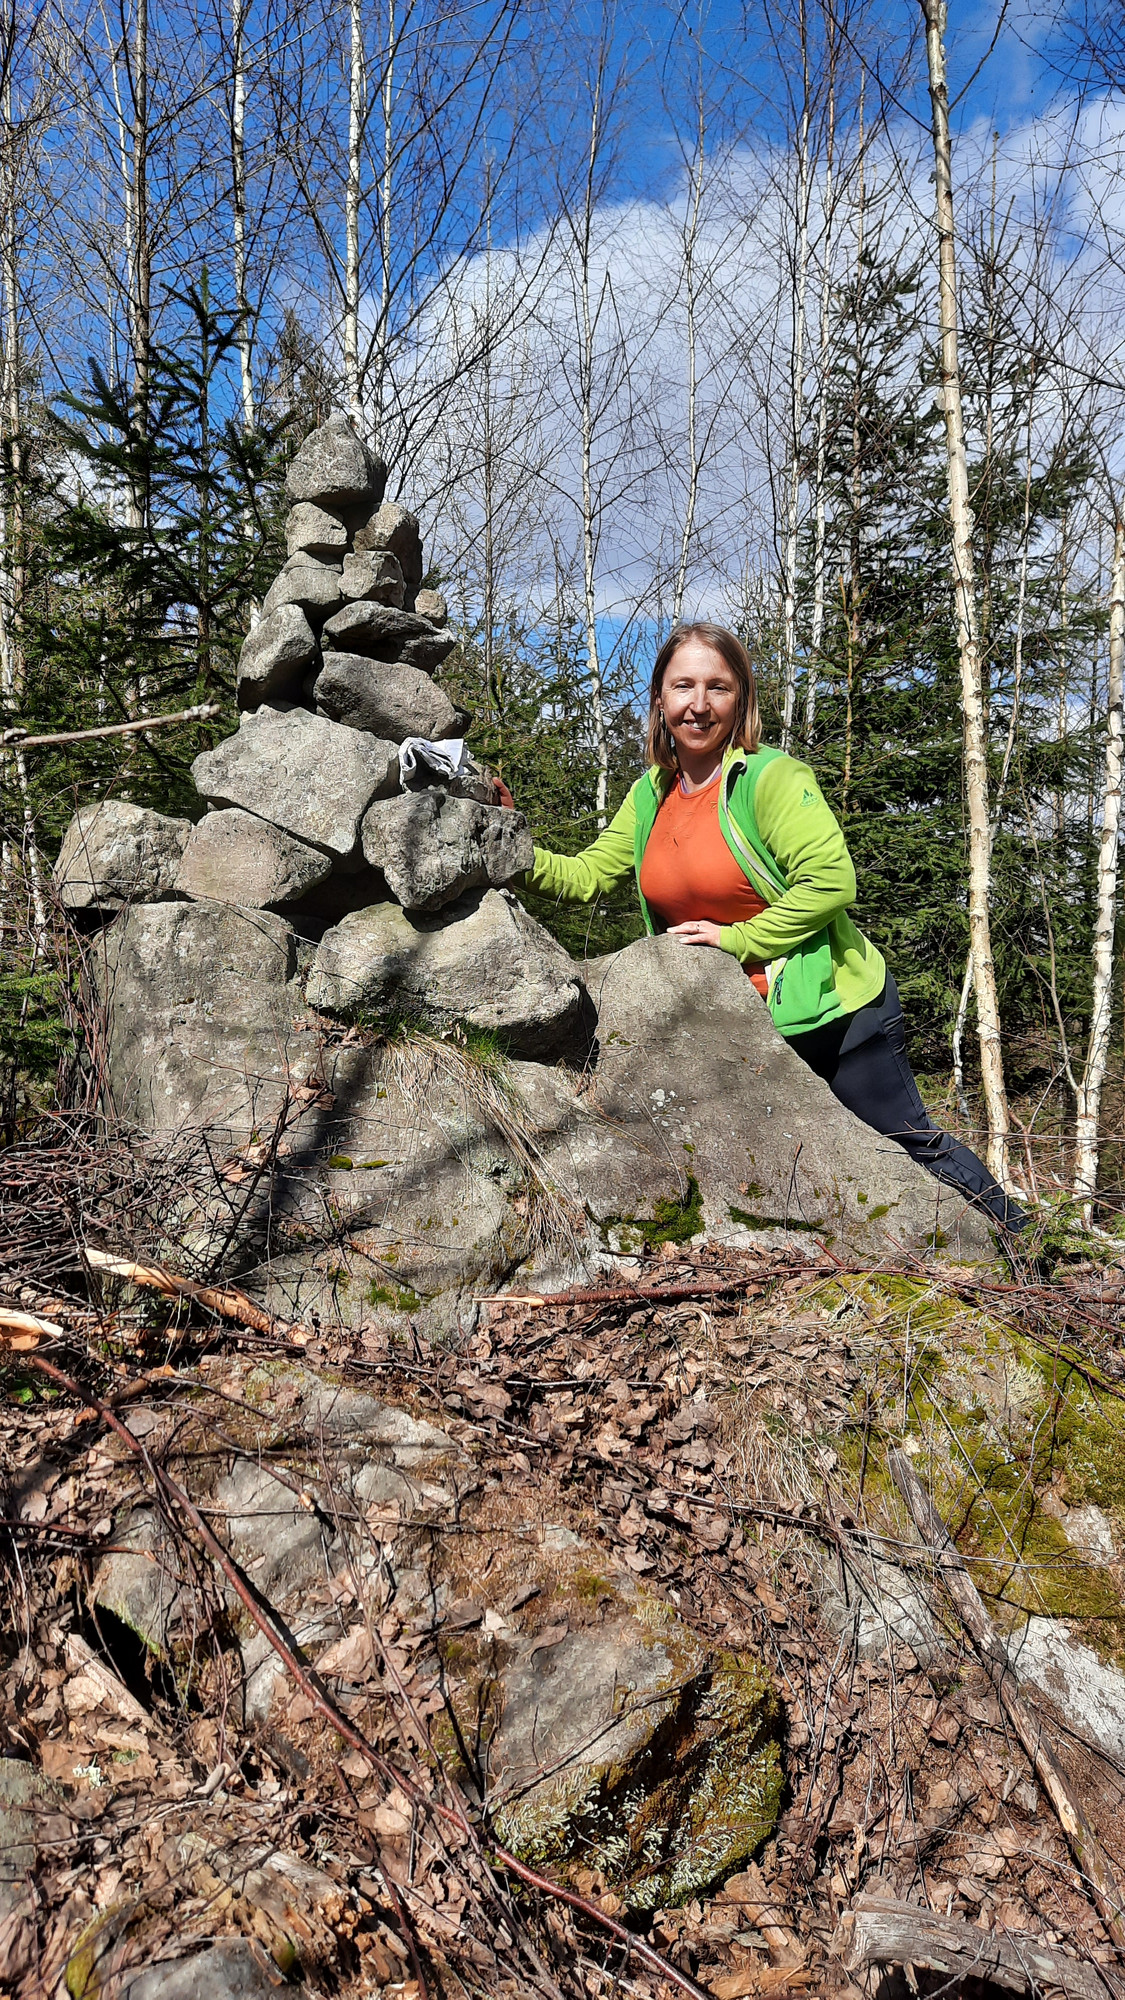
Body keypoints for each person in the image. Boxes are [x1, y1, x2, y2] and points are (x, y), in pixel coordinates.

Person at [522, 620, 1027, 1234]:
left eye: (718, 687)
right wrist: (505, 846)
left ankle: (1025, 1242)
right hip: (730, 1020)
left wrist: (735, 940)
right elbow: (587, 876)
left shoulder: (770, 778)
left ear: (741, 699)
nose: (699, 704)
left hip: (834, 1011)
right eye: (683, 686)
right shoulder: (652, 793)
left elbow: (831, 882)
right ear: (659, 699)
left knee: (904, 1141)